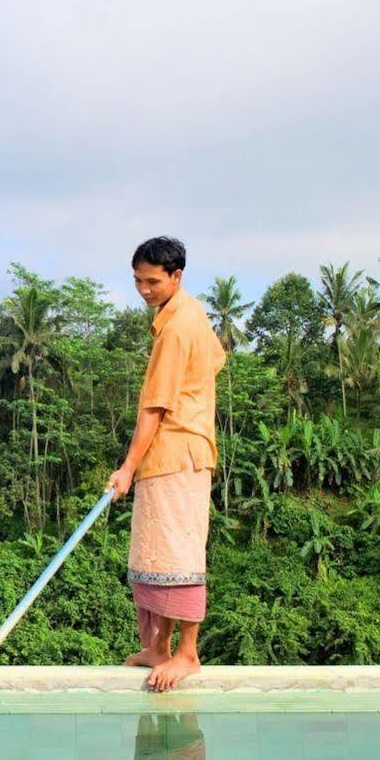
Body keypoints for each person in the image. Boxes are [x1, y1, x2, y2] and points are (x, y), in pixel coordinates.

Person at [108, 236, 225, 692]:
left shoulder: (179, 327)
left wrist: (127, 467)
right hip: (171, 454)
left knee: (178, 555)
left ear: (177, 276)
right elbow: (214, 359)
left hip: (178, 453)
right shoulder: (183, 313)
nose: (144, 289)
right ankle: (158, 646)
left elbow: (154, 407)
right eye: (137, 280)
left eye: (153, 281)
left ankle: (186, 654)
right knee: (153, 554)